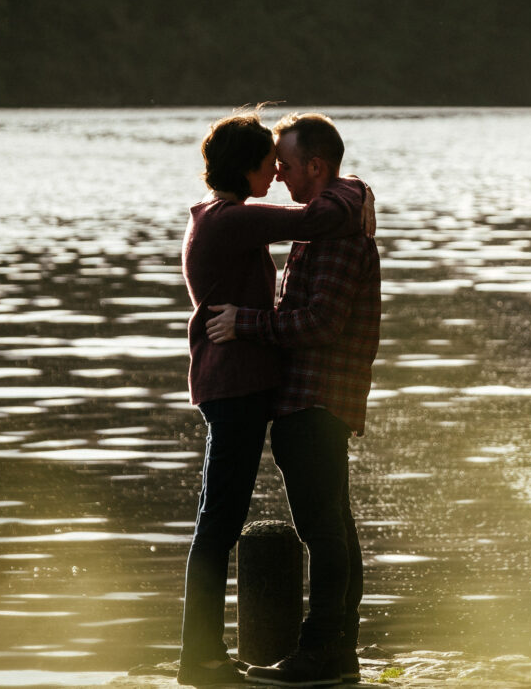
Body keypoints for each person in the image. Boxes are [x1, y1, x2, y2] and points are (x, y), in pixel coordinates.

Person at [178, 108, 373, 689]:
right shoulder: (230, 218)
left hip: (239, 385)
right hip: (234, 386)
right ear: (246, 169)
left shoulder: (223, 216)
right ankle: (203, 658)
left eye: (283, 165)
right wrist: (356, 188)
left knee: (226, 520)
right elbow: (318, 218)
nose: (277, 175)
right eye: (270, 165)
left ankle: (208, 654)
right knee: (220, 522)